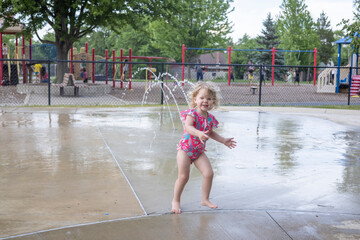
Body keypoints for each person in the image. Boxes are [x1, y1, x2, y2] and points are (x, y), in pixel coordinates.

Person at [172, 81, 237, 214]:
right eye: (202, 98)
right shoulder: (192, 114)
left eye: (209, 99)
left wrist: (223, 140)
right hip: (185, 150)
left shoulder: (210, 118)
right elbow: (188, 127)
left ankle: (205, 199)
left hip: (198, 152)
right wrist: (198, 133)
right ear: (195, 99)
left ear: (213, 101)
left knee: (209, 173)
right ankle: (176, 200)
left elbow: (211, 132)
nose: (205, 101)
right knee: (183, 177)